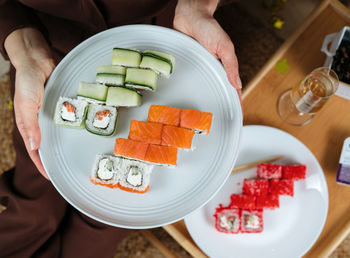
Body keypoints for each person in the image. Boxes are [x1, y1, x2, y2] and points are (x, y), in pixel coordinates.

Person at [0, 0, 241, 257]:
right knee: (34, 201)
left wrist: (197, 5)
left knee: (105, 219)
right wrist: (25, 49)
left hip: (166, 31)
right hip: (47, 57)